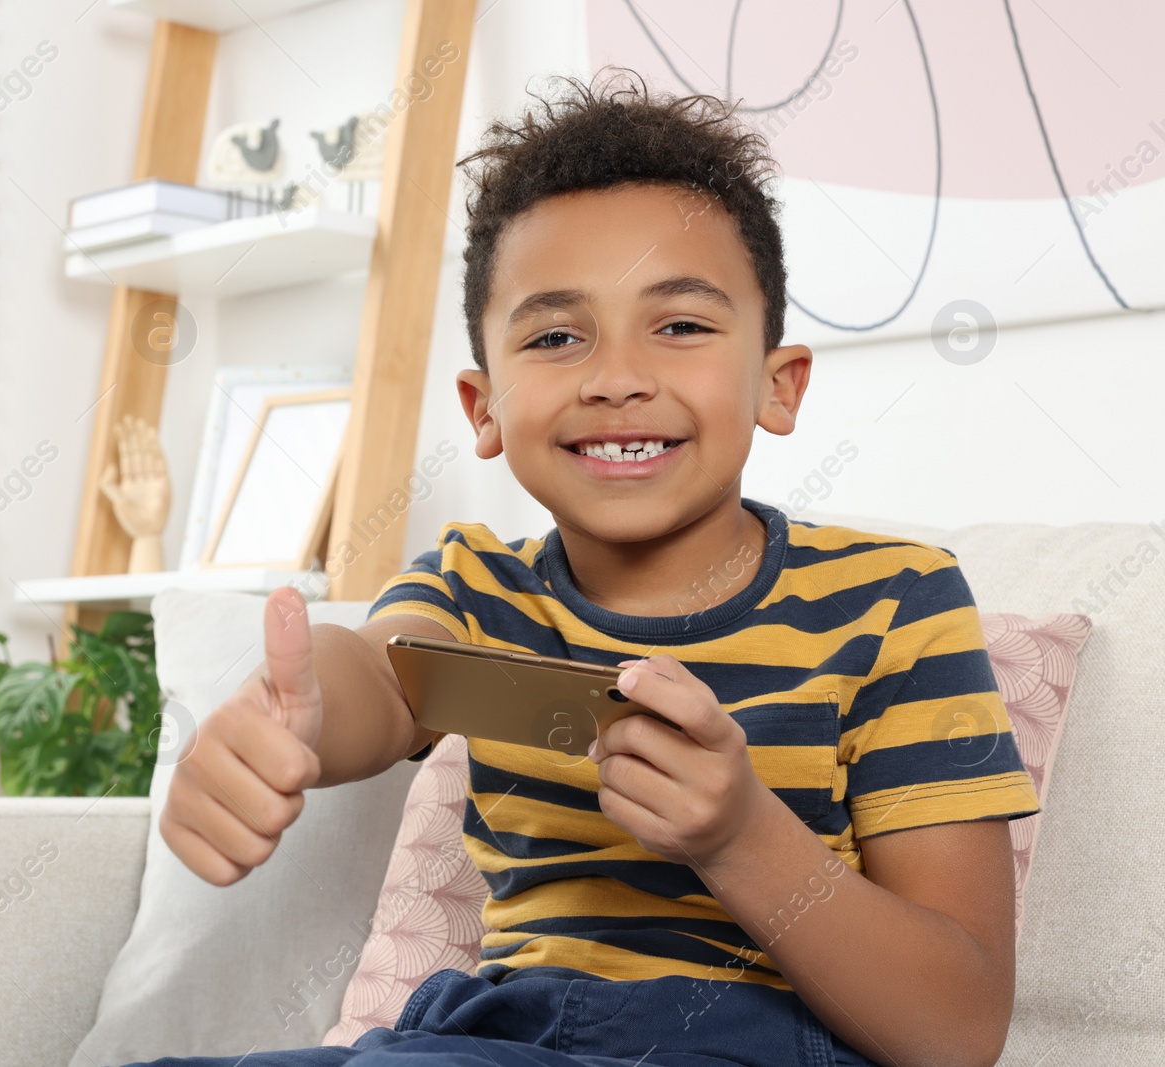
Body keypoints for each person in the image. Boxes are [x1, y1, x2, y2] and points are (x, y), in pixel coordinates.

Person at [148, 69, 1039, 1067]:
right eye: (557, 335)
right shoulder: (477, 587)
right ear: (483, 408)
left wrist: (741, 835)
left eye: (682, 325)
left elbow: (957, 1030)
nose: (617, 376)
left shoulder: (895, 604)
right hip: (495, 1034)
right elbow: (386, 675)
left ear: (776, 384)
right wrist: (294, 711)